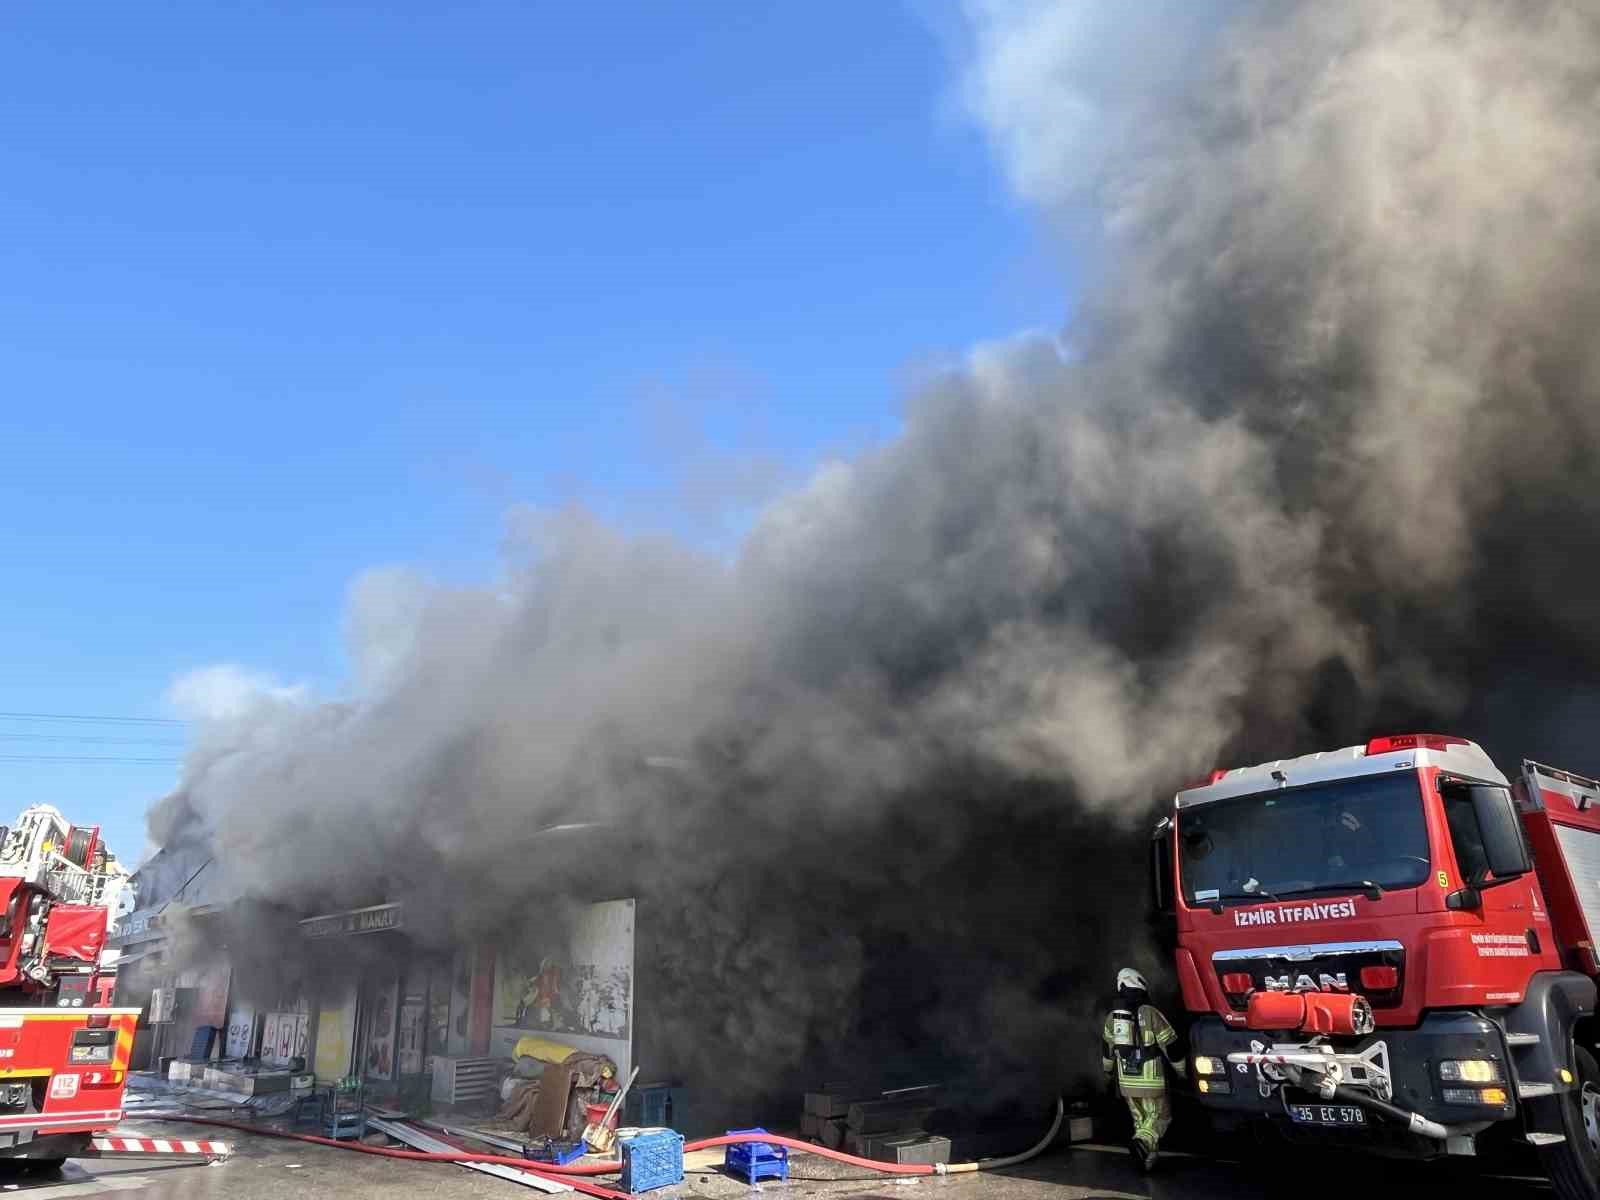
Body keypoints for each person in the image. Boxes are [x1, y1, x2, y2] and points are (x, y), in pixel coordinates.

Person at [1102, 967, 1185, 1171]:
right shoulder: (1151, 1013)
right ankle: (1141, 1144)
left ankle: (1146, 1161)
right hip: (1151, 1080)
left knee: (1142, 1121)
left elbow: (1107, 1050)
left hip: (1126, 1082)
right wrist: (1182, 1071)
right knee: (1160, 1117)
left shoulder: (1113, 1017)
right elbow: (1171, 1046)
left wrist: (1107, 1072)